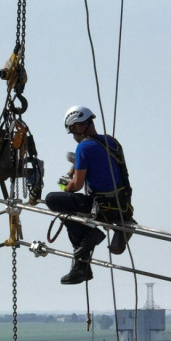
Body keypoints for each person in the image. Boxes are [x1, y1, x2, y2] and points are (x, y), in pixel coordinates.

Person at [44, 106, 134, 285]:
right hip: (121, 206)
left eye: (73, 132)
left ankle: (89, 244)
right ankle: (82, 266)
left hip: (101, 207)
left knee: (54, 201)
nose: (74, 136)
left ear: (79, 126)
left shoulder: (84, 147)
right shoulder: (111, 142)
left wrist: (66, 187)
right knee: (72, 212)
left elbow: (76, 185)